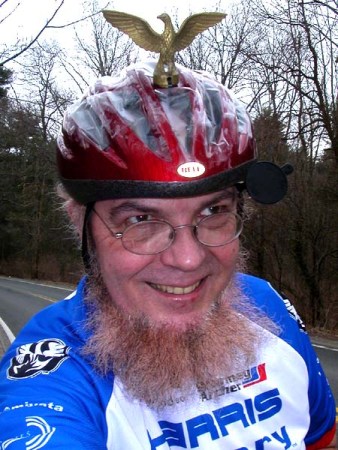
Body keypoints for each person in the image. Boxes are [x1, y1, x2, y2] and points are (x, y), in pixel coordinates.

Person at [0, 48, 336, 450]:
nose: (189, 259)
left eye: (214, 210)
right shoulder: (55, 373)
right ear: (80, 224)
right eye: (140, 220)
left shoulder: (264, 306)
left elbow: (321, 438)